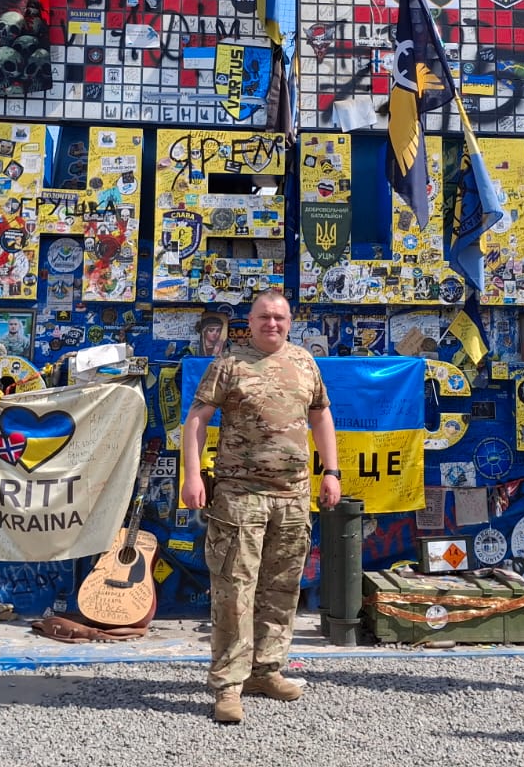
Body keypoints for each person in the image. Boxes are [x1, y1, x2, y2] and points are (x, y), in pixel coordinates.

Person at [180, 288, 339, 725]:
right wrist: (192, 476)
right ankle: (228, 685)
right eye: (264, 317)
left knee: (281, 588)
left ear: (290, 322)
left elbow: (321, 415)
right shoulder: (229, 365)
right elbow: (196, 420)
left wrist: (331, 472)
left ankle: (266, 671)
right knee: (234, 591)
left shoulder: (305, 363)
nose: (272, 323)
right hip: (239, 497)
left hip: (292, 497)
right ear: (249, 323)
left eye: (280, 318)